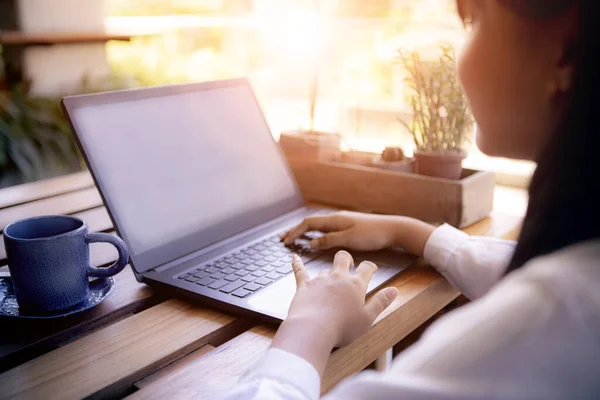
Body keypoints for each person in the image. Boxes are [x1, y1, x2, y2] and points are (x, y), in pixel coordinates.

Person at [224, 0, 600, 398]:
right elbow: (522, 270)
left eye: (474, 22)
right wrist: (410, 232)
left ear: (566, 51)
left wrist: (309, 326)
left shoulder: (546, 327)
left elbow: (549, 300)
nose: (460, 58)